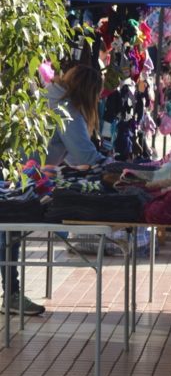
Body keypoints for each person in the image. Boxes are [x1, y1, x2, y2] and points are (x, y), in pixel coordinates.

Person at [1, 64, 108, 317]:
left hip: (14, 172)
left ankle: (12, 293)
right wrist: (113, 165)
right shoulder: (66, 108)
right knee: (9, 231)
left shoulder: (48, 93)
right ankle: (12, 294)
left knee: (9, 233)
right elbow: (84, 155)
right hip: (17, 177)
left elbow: (72, 154)